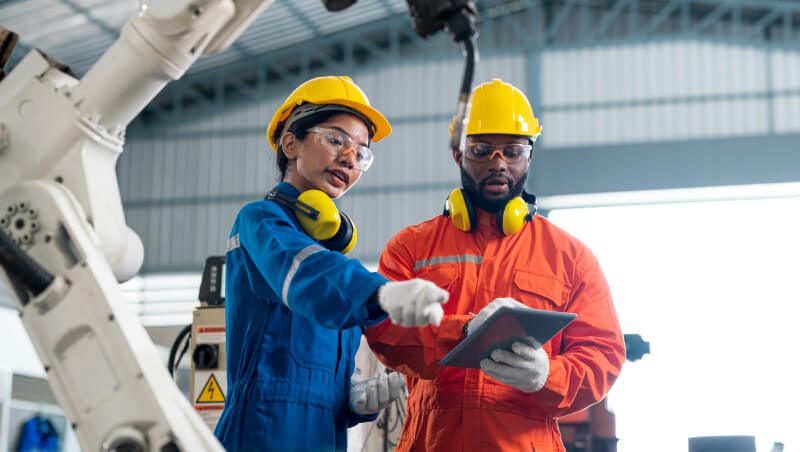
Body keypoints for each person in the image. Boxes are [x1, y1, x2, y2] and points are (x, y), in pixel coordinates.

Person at [365, 79, 626, 451]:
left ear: (529, 156)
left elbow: (603, 354)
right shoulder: (411, 247)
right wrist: (465, 331)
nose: (498, 163)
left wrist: (547, 376)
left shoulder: (571, 258)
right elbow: (384, 331)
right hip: (433, 440)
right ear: (458, 154)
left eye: (513, 150)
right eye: (481, 150)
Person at [214, 75, 449, 452]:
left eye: (361, 151)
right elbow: (303, 275)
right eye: (336, 139)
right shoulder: (261, 222)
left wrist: (350, 401)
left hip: (323, 435)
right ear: (290, 142)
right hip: (262, 432)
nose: (350, 157)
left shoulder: (331, 259)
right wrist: (381, 291)